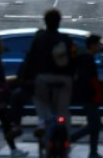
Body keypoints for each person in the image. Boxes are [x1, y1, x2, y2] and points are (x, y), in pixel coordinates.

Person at [21, 10, 75, 140]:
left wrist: (26, 78)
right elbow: (74, 60)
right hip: (63, 79)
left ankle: (42, 123)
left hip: (43, 79)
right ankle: (65, 147)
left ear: (45, 22)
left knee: (41, 102)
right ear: (59, 22)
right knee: (63, 112)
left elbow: (30, 60)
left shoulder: (39, 39)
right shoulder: (66, 39)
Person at [71, 35, 103, 158]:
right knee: (94, 125)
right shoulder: (87, 59)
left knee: (95, 125)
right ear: (92, 45)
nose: (99, 47)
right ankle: (69, 140)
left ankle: (93, 152)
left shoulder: (86, 58)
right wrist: (93, 94)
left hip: (89, 96)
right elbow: (87, 80)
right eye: (97, 44)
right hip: (89, 97)